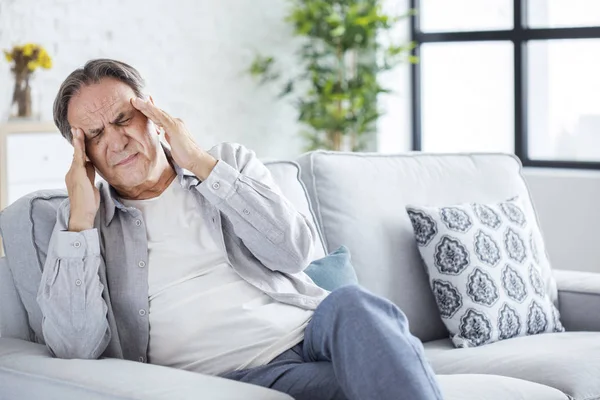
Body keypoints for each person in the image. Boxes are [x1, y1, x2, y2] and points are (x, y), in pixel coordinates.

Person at [37, 58, 443, 400]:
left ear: (152, 113)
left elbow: (294, 253)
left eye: (123, 119)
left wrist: (200, 164)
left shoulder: (226, 164)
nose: (116, 140)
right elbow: (75, 346)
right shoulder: (82, 226)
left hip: (309, 329)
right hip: (235, 374)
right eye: (94, 135)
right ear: (83, 154)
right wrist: (81, 222)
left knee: (355, 304)